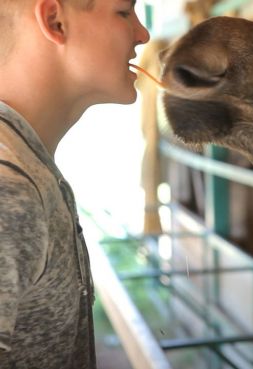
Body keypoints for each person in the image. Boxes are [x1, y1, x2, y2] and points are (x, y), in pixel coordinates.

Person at [0, 0, 149, 368]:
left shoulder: (28, 168)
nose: (143, 35)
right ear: (55, 21)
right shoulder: (9, 191)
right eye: (124, 12)